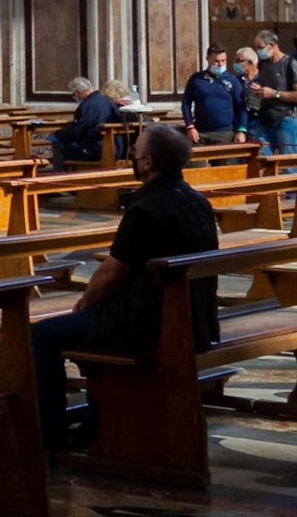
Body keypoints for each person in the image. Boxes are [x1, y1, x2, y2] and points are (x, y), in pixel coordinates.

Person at [31, 124, 218, 455]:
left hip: (145, 322)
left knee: (41, 337)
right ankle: (95, 420)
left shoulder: (146, 208)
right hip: (193, 315)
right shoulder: (196, 200)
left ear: (147, 163)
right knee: (86, 327)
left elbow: (113, 271)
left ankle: (49, 435)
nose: (131, 159)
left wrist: (85, 302)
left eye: (134, 154)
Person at [48, 75, 121, 171]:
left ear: (79, 92)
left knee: (57, 142)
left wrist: (58, 134)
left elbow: (75, 134)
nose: (75, 97)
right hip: (115, 148)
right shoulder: (108, 101)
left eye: (74, 94)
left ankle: (59, 175)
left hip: (93, 151)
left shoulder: (86, 106)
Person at [181, 43, 247, 145]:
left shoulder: (233, 81)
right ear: (208, 59)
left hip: (225, 134)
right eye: (216, 61)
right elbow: (186, 103)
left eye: (223, 61)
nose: (220, 64)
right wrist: (190, 126)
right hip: (200, 133)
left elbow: (242, 107)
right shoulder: (196, 79)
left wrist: (241, 130)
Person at [245, 29, 297, 154]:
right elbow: (265, 88)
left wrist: (275, 93)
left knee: (288, 161)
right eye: (256, 47)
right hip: (265, 118)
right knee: (261, 157)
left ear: (272, 45)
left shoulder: (290, 64)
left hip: (286, 118)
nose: (258, 51)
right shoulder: (263, 64)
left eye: (260, 47)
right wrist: (259, 90)